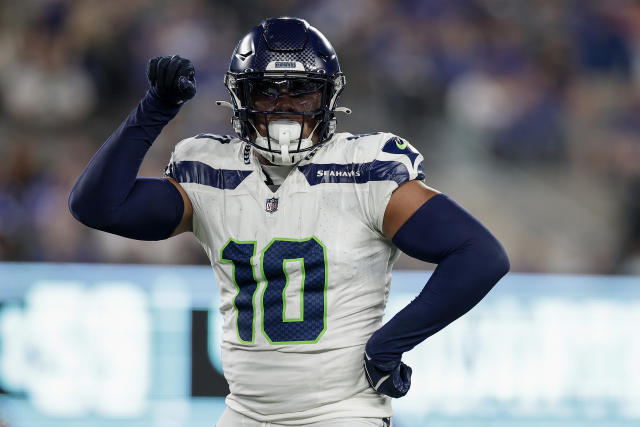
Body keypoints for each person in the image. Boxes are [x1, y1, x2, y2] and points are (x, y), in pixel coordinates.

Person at [69, 17, 509, 427]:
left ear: (327, 97)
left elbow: (480, 255)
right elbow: (97, 206)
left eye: (300, 90)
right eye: (267, 91)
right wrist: (155, 108)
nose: (284, 107)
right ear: (241, 97)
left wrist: (387, 345)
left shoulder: (363, 169)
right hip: (243, 412)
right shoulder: (212, 170)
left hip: (341, 413)